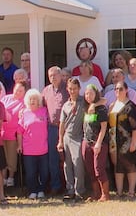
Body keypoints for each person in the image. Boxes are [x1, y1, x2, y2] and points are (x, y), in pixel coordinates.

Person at [109, 81, 136, 198]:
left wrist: (133, 142)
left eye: (121, 89)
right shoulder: (112, 105)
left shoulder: (131, 106)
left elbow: (135, 127)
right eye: (116, 89)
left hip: (127, 141)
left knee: (130, 165)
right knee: (118, 167)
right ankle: (119, 192)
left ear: (126, 90)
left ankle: (131, 192)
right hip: (114, 142)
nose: (118, 91)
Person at [57, 77, 86, 201]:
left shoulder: (84, 102)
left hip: (78, 136)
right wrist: (60, 141)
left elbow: (100, 100)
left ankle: (79, 190)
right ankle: (70, 190)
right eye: (70, 89)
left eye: (75, 89)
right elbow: (62, 124)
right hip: (67, 137)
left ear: (79, 88)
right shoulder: (65, 105)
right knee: (67, 165)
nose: (72, 91)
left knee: (78, 162)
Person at [18, 88, 49, 200]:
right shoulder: (24, 113)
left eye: (35, 99)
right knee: (31, 173)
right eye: (30, 99)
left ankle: (41, 189)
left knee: (44, 172)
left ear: (39, 100)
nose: (32, 101)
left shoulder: (44, 111)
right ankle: (33, 190)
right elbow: (20, 131)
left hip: (43, 148)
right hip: (28, 149)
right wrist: (19, 145)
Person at [42, 66, 68, 194]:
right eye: (50, 75)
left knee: (68, 157)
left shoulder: (67, 88)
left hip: (67, 127)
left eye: (55, 75)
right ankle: (55, 186)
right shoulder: (46, 90)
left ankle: (70, 186)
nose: (53, 77)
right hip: (52, 128)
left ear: (60, 75)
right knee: (53, 158)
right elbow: (40, 106)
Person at [81, 84, 109, 201]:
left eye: (91, 93)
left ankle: (105, 194)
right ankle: (96, 193)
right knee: (90, 169)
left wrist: (98, 143)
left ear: (96, 94)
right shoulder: (85, 107)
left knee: (99, 169)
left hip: (98, 142)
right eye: (86, 94)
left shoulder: (101, 108)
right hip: (86, 141)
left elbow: (103, 128)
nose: (88, 96)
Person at [0, 82, 25, 188]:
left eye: (20, 91)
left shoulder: (24, 103)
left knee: (12, 157)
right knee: (3, 156)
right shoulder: (5, 98)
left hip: (14, 133)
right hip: (1, 132)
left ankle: (11, 178)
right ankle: (3, 178)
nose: (17, 92)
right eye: (16, 89)